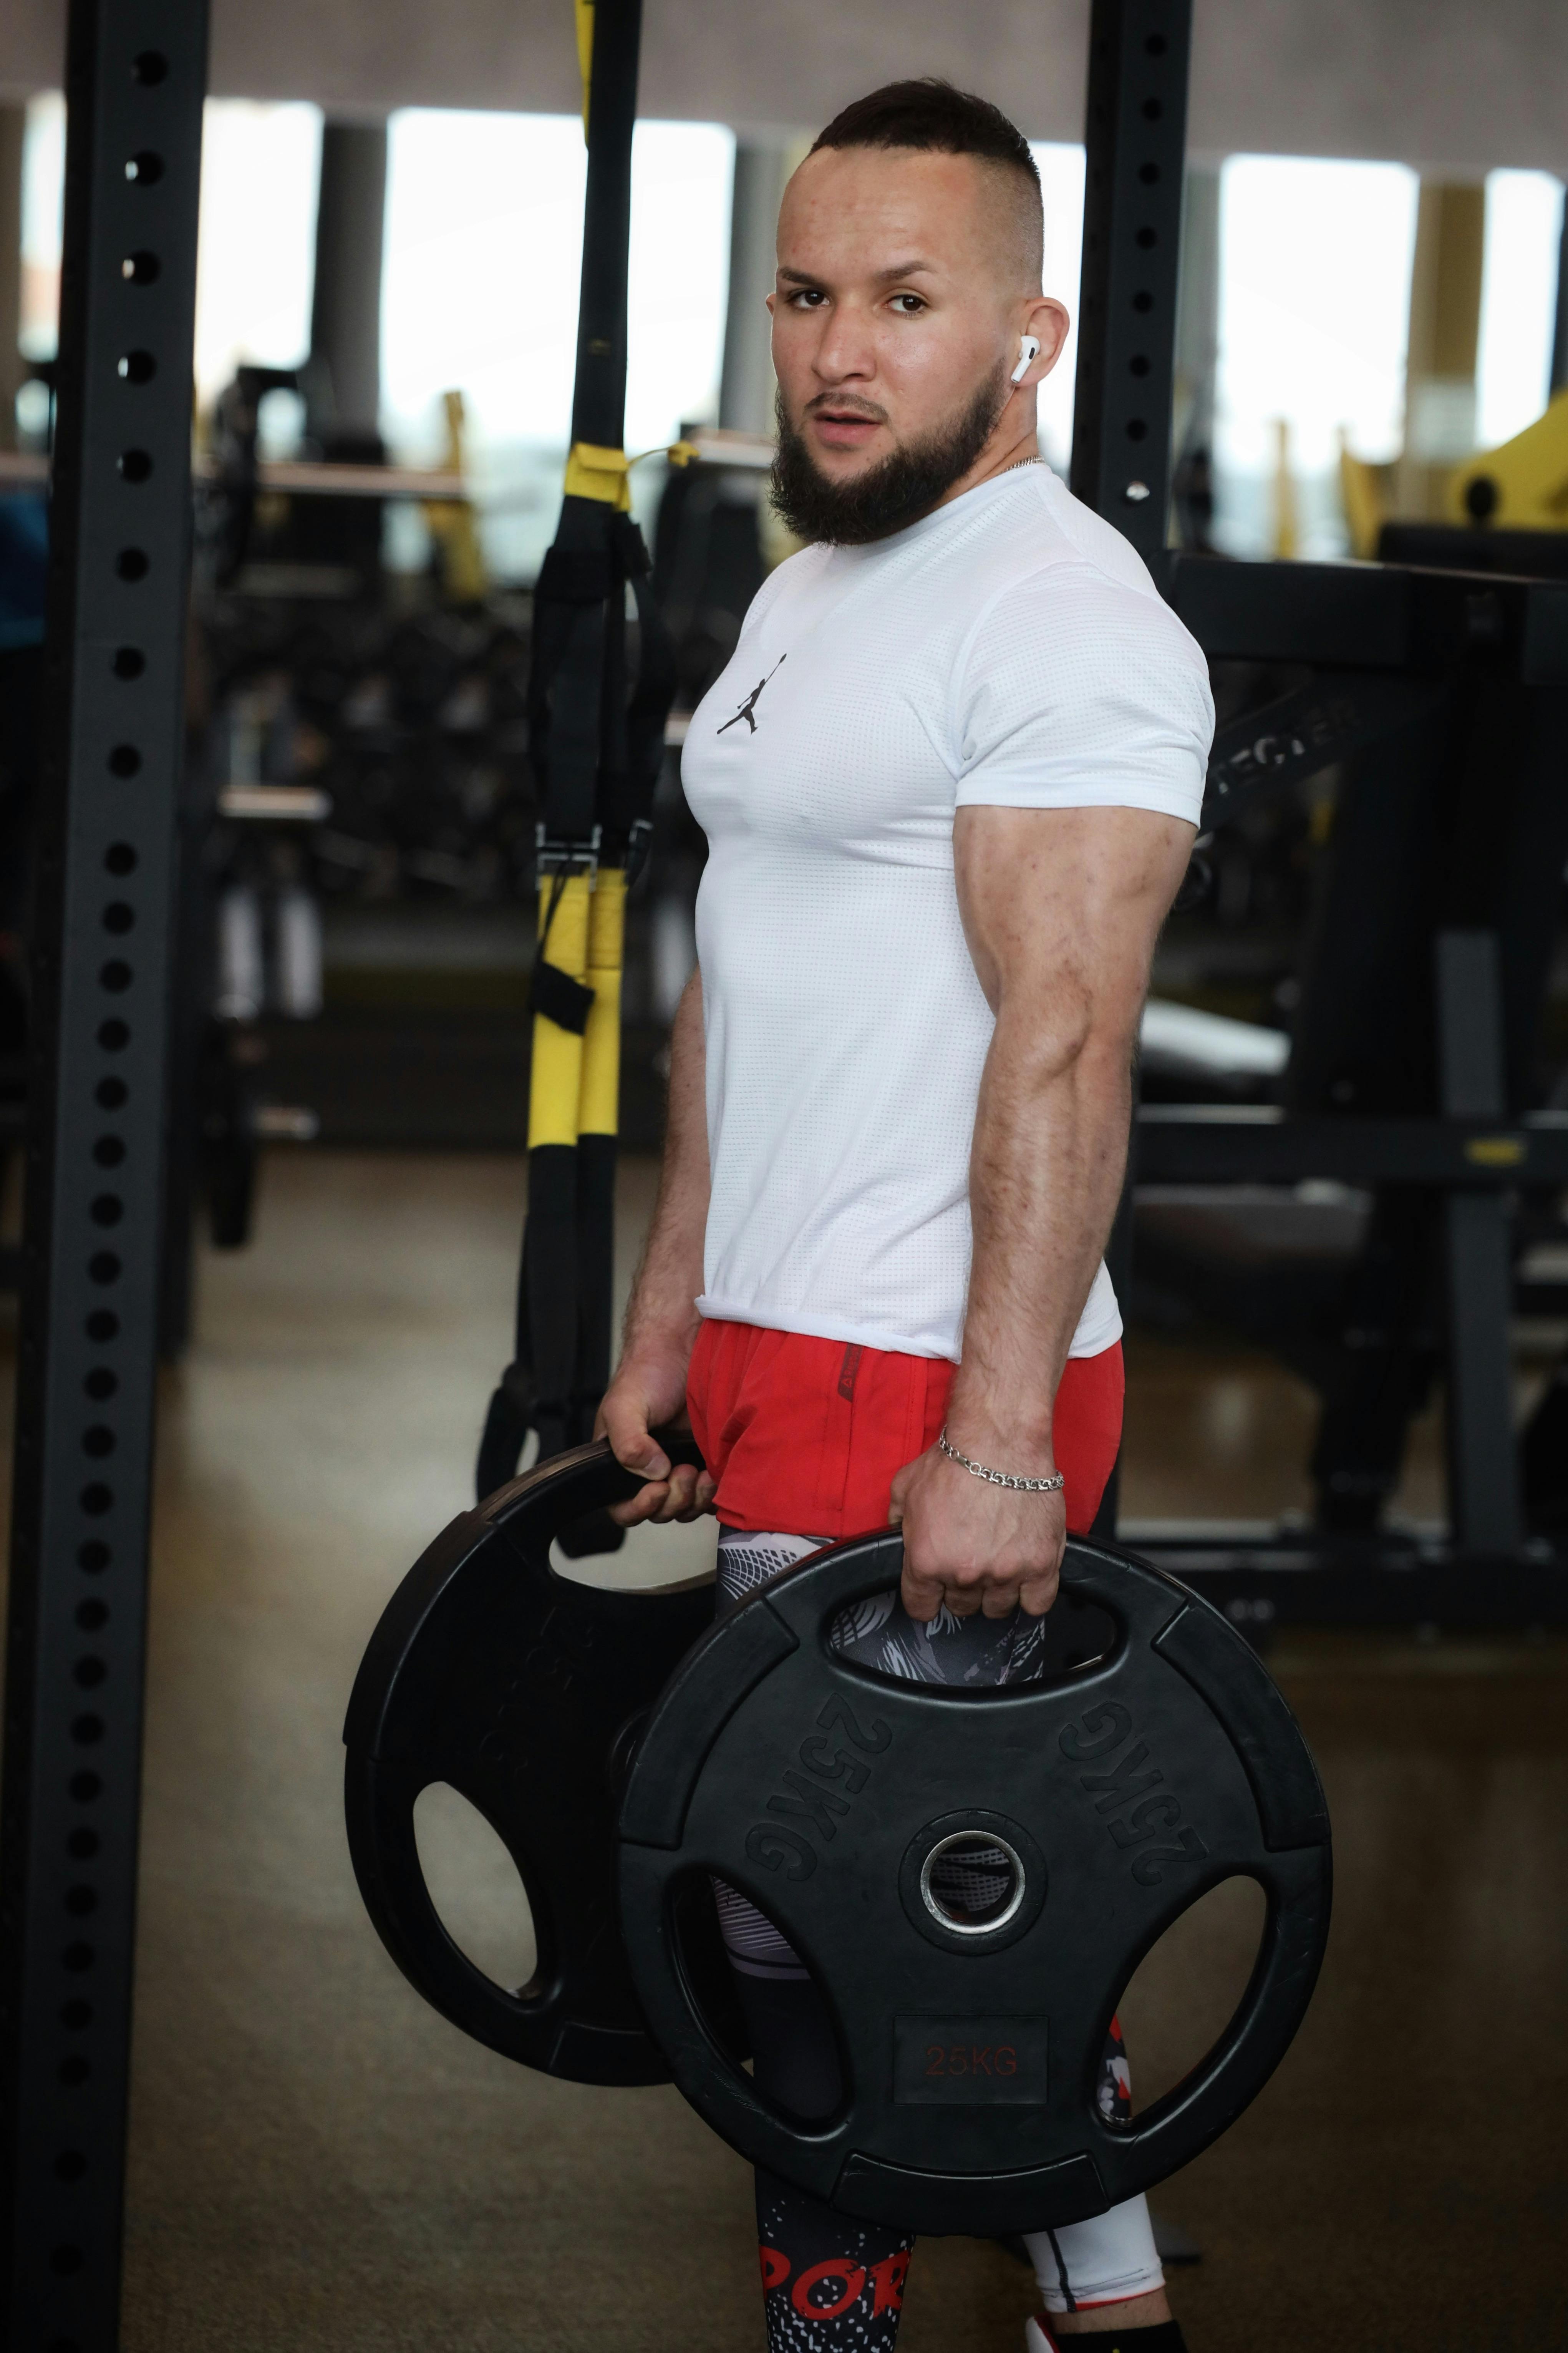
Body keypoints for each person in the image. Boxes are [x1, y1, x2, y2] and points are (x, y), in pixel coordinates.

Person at [598, 79, 1213, 2353]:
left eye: (904, 300)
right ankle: (1102, 2301)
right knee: (934, 1890)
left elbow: (1060, 1037)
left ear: (1027, 334)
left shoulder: (1065, 616)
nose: (836, 348)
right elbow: (726, 983)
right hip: (778, 1331)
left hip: (928, 1353)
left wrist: (997, 1432)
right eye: (802, 291)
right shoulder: (808, 580)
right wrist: (669, 1315)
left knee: (826, 1905)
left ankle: (859, 2329)